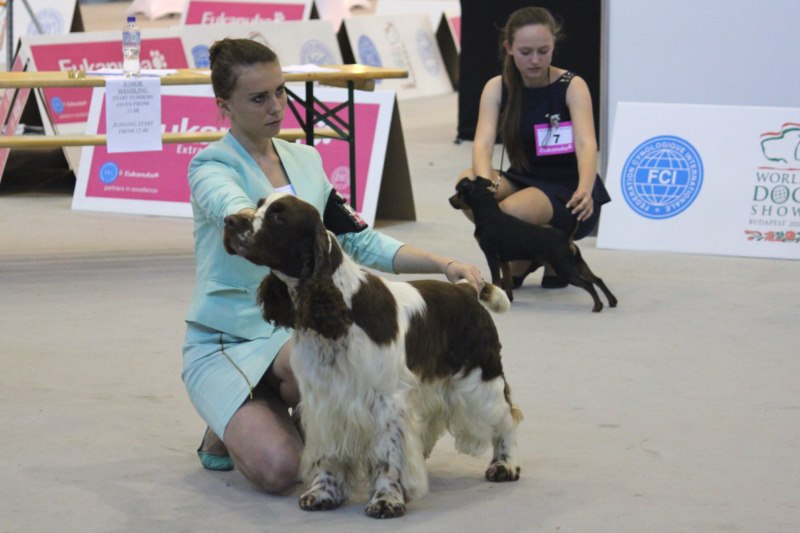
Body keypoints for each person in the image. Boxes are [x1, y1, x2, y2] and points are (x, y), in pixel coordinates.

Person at [182, 38, 483, 495]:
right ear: (224, 106)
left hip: (286, 330)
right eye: (259, 98)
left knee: (343, 356)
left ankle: (271, 413)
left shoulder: (306, 160)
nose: (276, 107)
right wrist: (257, 221)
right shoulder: (210, 166)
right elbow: (232, 208)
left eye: (280, 92)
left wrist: (444, 263)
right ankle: (225, 419)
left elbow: (359, 238)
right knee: (280, 470)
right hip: (227, 338)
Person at [457, 6, 610, 289]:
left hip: (567, 187)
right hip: (523, 177)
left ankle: (543, 252)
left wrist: (586, 188)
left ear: (554, 45)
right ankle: (535, 253)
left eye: (544, 51)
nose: (535, 60)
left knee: (510, 212)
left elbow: (587, 143)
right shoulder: (497, 87)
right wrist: (483, 184)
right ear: (509, 48)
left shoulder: (572, 85)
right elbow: (483, 142)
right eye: (526, 52)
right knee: (467, 185)